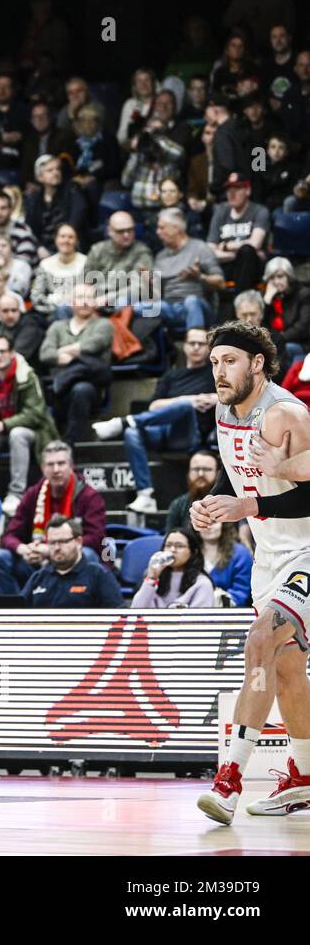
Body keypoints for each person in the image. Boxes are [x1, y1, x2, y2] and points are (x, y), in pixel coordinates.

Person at [187, 320, 310, 823]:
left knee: (260, 640)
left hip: (307, 551)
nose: (219, 370)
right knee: (286, 670)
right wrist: (216, 502)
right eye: (215, 361)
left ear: (257, 364)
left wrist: (252, 504)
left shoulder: (285, 414)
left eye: (230, 360)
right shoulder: (222, 409)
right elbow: (236, 471)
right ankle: (303, 778)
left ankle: (229, 781)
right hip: (269, 557)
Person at [93, 327, 217, 513]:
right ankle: (145, 494)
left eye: (201, 344)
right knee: (132, 433)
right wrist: (188, 399)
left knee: (185, 407)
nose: (196, 348)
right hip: (161, 431)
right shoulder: (171, 376)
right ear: (184, 346)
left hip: (188, 434)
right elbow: (153, 406)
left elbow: (230, 398)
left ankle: (125, 421)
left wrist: (210, 399)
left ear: (208, 349)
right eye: (192, 343)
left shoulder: (213, 374)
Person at [0, 441, 108, 593]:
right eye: (50, 464)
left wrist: (53, 549)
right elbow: (9, 535)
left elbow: (96, 539)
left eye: (61, 463)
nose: (56, 469)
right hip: (36, 561)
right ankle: (16, 612)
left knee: (88, 554)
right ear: (43, 468)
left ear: (71, 465)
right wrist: (23, 549)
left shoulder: (89, 496)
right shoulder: (33, 494)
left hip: (71, 561)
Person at [0, 332, 59, 515]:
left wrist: (2, 425)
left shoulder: (27, 376)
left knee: (17, 433)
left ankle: (16, 493)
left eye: (2, 351)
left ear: (12, 353)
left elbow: (35, 414)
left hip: (34, 433)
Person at [39, 282, 113, 444]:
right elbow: (45, 354)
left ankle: (71, 443)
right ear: (71, 302)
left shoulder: (104, 325)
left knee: (81, 389)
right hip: (59, 387)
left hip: (91, 388)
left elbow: (94, 345)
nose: (85, 302)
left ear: (95, 302)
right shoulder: (57, 327)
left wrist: (64, 352)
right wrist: (70, 353)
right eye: (80, 297)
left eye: (89, 298)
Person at [20, 514, 124, 608]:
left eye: (63, 541)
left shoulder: (98, 575)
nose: (56, 548)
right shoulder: (38, 578)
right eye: (52, 542)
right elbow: (18, 616)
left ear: (78, 542)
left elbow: (119, 618)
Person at [132, 527, 215, 608]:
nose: (172, 550)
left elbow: (199, 619)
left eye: (179, 546)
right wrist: (151, 578)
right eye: (168, 545)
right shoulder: (154, 578)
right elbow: (136, 610)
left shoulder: (202, 583)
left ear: (193, 552)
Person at [198, 519, 254, 607]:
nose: (209, 527)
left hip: (228, 614)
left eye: (213, 522)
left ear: (223, 524)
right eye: (204, 523)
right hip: (192, 612)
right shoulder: (190, 552)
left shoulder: (241, 553)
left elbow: (240, 594)